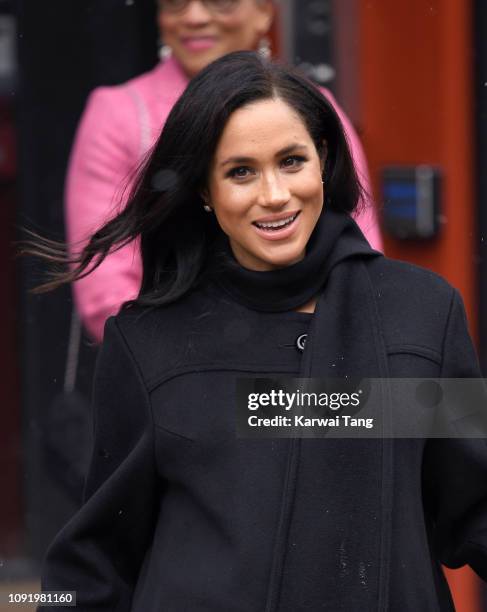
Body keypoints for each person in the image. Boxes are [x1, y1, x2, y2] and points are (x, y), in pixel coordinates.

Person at [36, 52, 487, 611]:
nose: (274, 195)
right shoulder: (149, 343)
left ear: (323, 158)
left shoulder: (422, 313)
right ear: (205, 189)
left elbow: (475, 507)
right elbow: (94, 560)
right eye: (240, 171)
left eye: (291, 161)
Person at [66, 0, 382, 343]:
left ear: (264, 11)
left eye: (220, 2)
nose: (194, 17)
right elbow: (106, 293)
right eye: (175, 3)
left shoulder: (308, 106)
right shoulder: (119, 113)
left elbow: (358, 242)